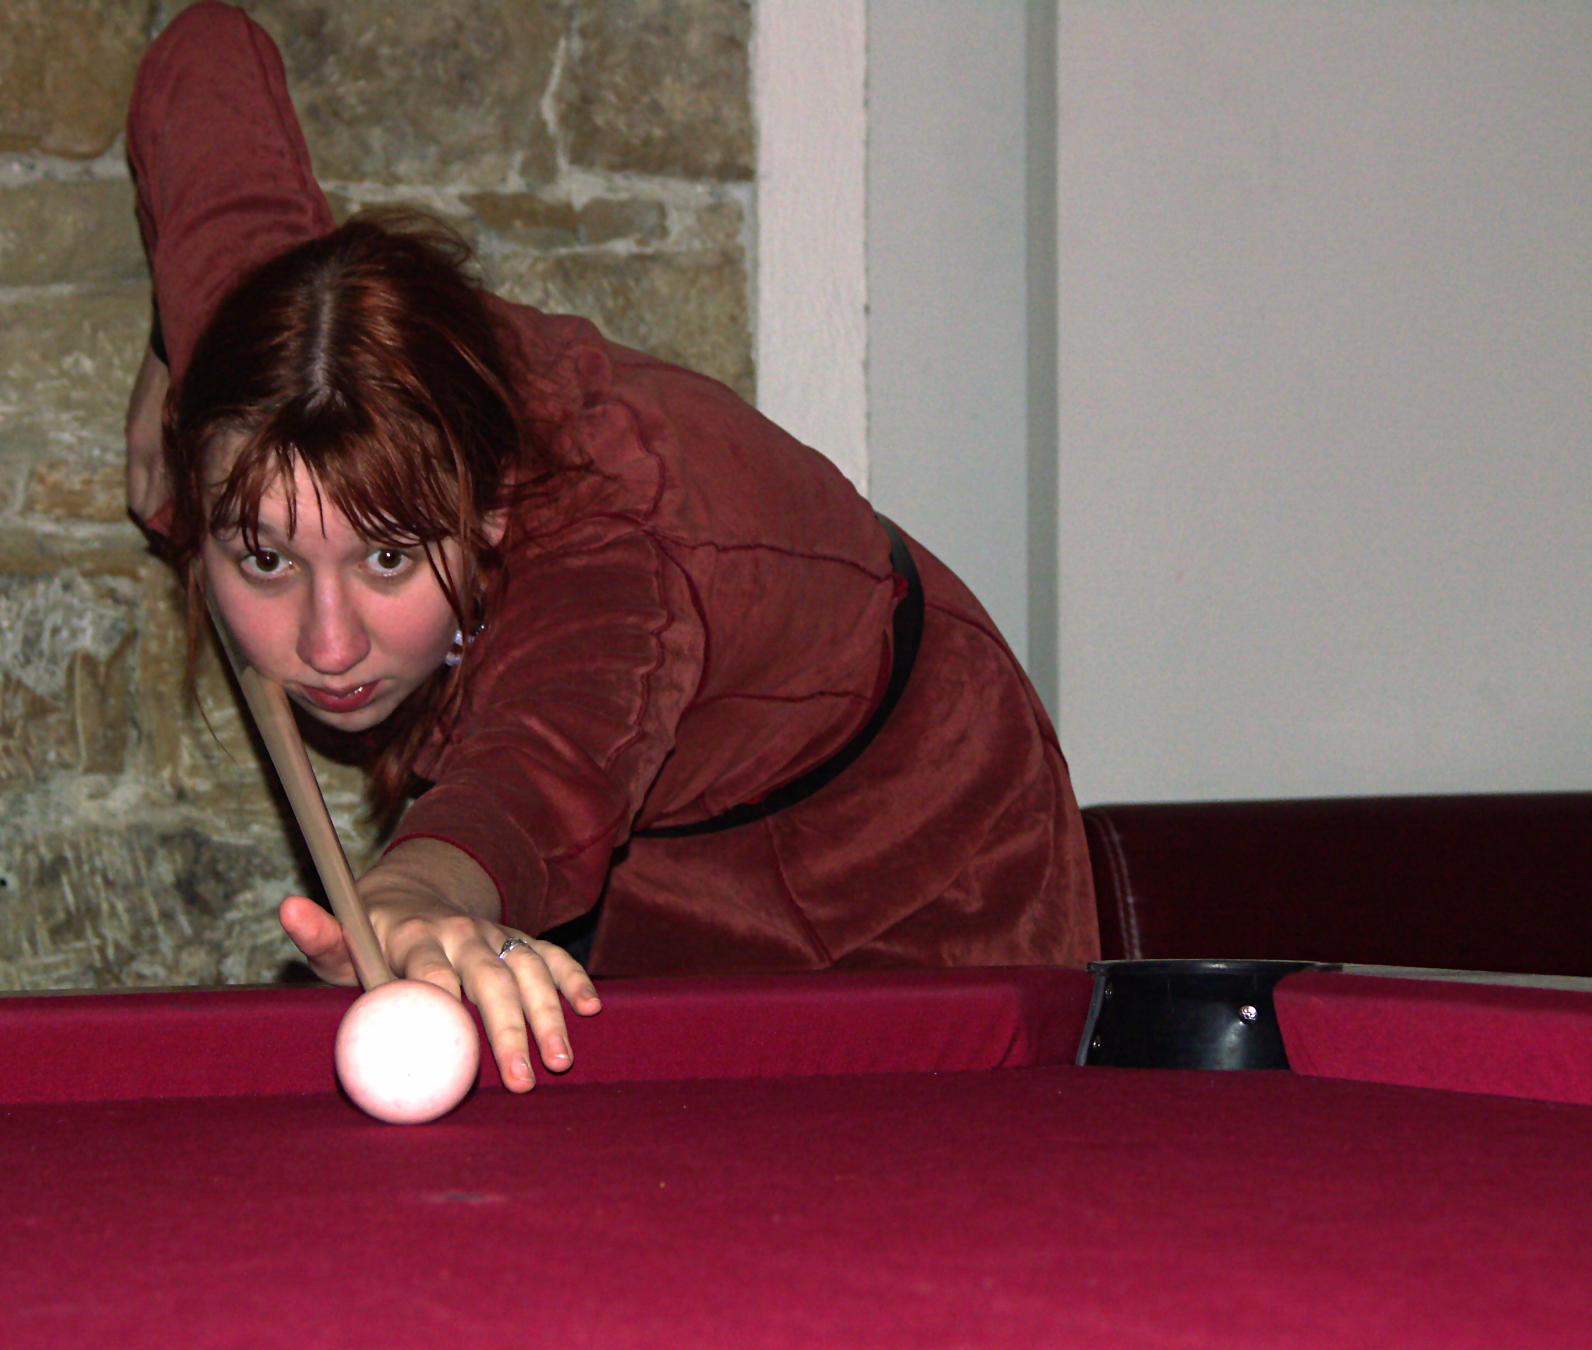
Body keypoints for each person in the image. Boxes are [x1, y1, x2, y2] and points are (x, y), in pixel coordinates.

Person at [125, 2, 1097, 1094]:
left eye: (388, 557)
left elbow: (542, 767)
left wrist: (417, 895)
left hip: (901, 856)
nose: (328, 645)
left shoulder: (614, 547)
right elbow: (204, 55)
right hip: (648, 849)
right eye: (266, 560)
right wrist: (171, 352)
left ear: (490, 511)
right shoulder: (260, 360)